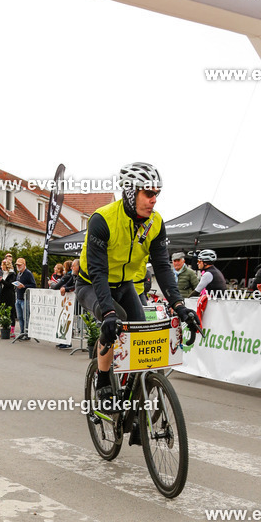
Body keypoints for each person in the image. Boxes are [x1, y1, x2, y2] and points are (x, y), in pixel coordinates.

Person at [75, 160, 200, 416]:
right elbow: (98, 271)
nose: (154, 199)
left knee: (141, 332)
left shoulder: (155, 222)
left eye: (157, 194)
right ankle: (103, 380)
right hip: (92, 285)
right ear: (131, 192)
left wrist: (179, 306)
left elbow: (163, 267)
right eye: (149, 193)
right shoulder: (103, 219)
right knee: (116, 320)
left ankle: (134, 396)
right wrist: (108, 313)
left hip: (125, 285)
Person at [14, 256, 36, 338]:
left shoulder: (28, 273)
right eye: (17, 265)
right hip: (19, 297)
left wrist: (24, 286)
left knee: (25, 317)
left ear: (24, 265)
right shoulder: (19, 274)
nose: (18, 266)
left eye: (20, 265)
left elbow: (33, 285)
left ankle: (27, 333)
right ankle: (22, 332)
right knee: (20, 317)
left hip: (25, 299)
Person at [0, 258, 17, 334]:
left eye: (2, 265)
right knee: (3, 310)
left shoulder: (12, 274)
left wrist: (2, 280)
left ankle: (12, 330)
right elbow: (0, 284)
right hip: (3, 294)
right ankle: (4, 328)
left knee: (11, 311)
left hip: (9, 295)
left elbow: (9, 284)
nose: (1, 266)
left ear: (5, 266)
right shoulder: (2, 273)